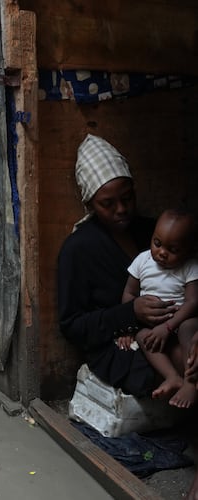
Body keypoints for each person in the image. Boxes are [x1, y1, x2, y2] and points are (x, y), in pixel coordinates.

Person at [57, 134, 178, 397]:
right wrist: (129, 313)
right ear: (89, 204)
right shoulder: (78, 249)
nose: (121, 209)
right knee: (172, 360)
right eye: (107, 204)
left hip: (172, 328)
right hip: (117, 347)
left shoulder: (154, 233)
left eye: (127, 198)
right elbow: (72, 326)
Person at [119, 208, 198, 408]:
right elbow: (129, 294)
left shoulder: (189, 267)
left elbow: (192, 302)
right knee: (141, 336)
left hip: (178, 323)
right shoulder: (142, 261)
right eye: (157, 243)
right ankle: (172, 377)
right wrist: (126, 326)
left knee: (190, 327)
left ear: (188, 250)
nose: (162, 253)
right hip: (153, 326)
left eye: (173, 249)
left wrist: (169, 327)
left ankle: (191, 382)